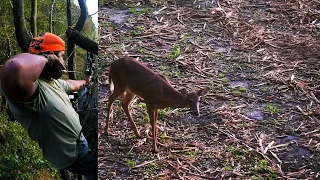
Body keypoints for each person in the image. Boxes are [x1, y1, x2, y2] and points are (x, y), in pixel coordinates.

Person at [0, 32, 97, 179]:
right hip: (72, 154)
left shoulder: (51, 82)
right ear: (49, 57)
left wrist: (85, 81)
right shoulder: (30, 92)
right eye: (61, 56)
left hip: (78, 142)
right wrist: (49, 58)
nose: (63, 62)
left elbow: (70, 84)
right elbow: (14, 68)